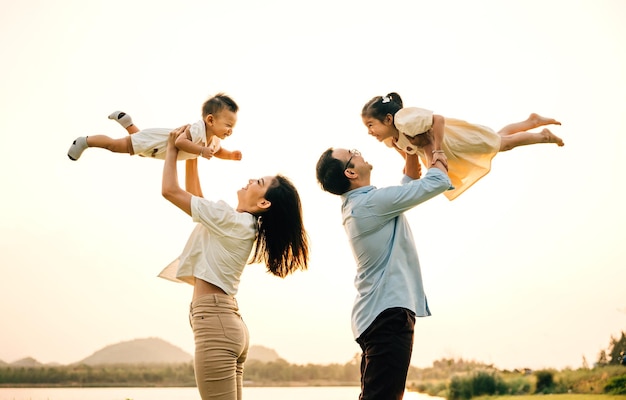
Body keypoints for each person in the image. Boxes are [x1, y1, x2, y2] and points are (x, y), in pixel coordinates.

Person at [160, 126, 309, 400]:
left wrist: (172, 148)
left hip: (216, 324)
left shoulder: (232, 221)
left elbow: (170, 191)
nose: (251, 180)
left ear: (263, 202)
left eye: (259, 183)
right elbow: (198, 199)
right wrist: (193, 152)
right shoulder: (241, 223)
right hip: (226, 323)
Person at [315, 143, 451, 400]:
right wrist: (435, 146)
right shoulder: (370, 204)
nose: (359, 152)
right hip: (387, 314)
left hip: (379, 314)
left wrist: (410, 149)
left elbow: (408, 184)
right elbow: (438, 181)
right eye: (352, 154)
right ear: (351, 173)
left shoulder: (362, 204)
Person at [361, 92, 564, 200]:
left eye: (371, 125)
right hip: (450, 149)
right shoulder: (391, 140)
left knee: (502, 144)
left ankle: (543, 136)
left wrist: (438, 148)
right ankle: (532, 121)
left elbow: (438, 120)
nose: (369, 131)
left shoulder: (404, 120)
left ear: (388, 119)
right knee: (497, 138)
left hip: (455, 140)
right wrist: (408, 164)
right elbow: (408, 154)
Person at [67, 93, 242, 162]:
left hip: (157, 148)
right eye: (228, 125)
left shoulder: (215, 140)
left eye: (232, 126)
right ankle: (85, 141)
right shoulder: (198, 129)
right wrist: (201, 151)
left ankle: (128, 122)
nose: (230, 130)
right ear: (210, 120)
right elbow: (180, 142)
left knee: (141, 151)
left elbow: (218, 151)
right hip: (158, 140)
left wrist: (230, 155)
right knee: (115, 146)